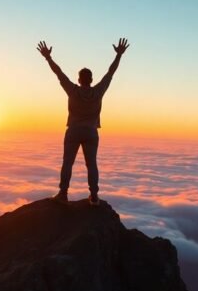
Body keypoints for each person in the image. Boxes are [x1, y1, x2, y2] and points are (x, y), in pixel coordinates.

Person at [37, 38, 129, 205]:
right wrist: (119, 55)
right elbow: (110, 73)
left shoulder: (72, 90)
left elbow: (58, 73)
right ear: (91, 79)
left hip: (73, 131)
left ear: (79, 80)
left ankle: (63, 193)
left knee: (67, 163)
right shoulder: (98, 91)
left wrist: (48, 58)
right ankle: (94, 196)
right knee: (91, 165)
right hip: (91, 132)